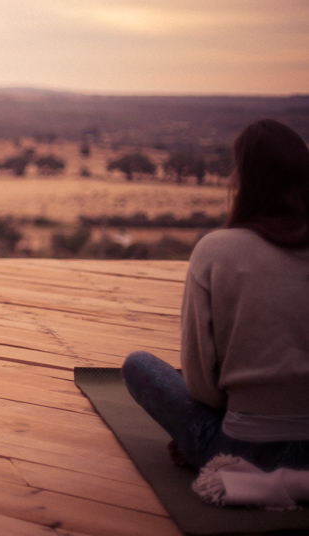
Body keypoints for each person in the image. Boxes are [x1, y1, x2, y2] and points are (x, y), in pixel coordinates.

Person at [121, 119, 309, 471]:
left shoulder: (216, 251)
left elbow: (202, 388)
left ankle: (207, 454)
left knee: (140, 366)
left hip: (242, 452)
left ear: (242, 180)